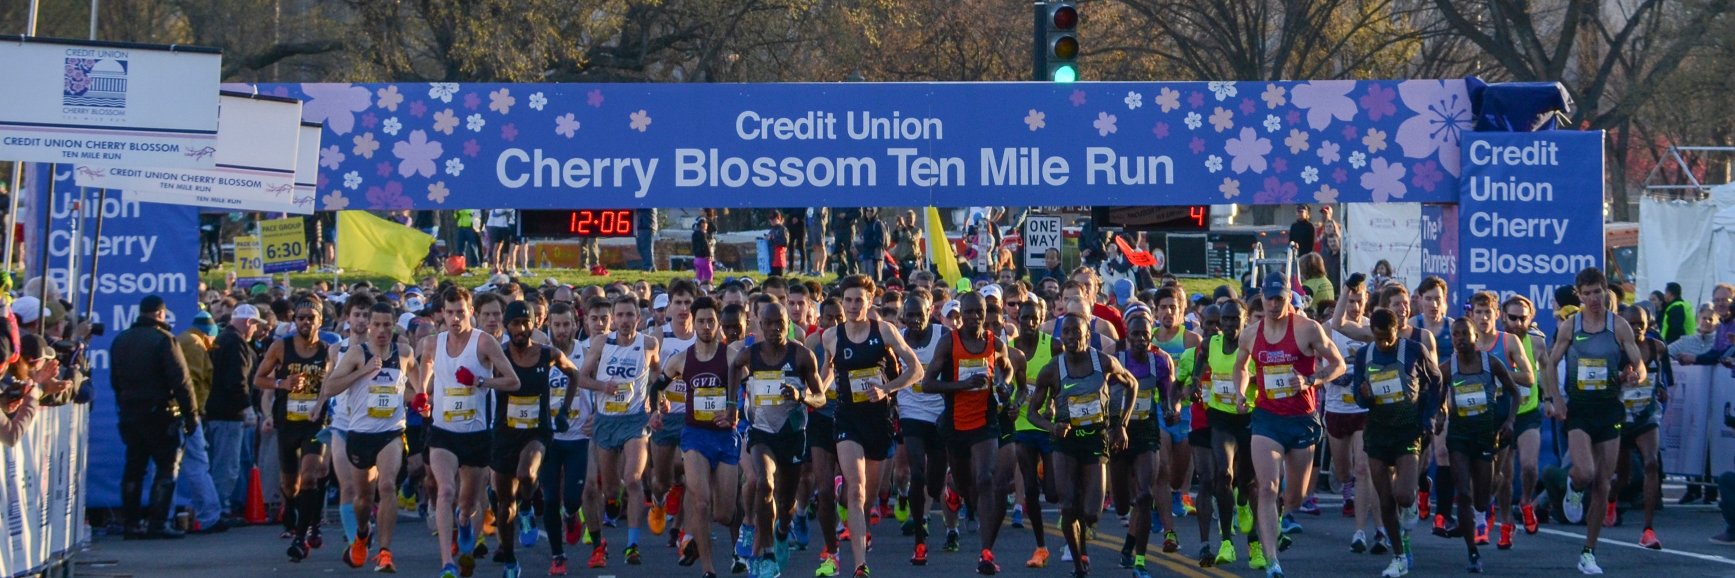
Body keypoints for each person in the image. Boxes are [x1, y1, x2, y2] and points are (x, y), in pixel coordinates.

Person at [1232, 271, 1345, 578]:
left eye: (1279, 298)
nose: (1272, 304)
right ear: (1262, 298)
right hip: (1267, 419)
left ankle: (1282, 518)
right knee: (1267, 487)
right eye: (1268, 298)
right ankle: (1272, 562)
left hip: (1301, 420)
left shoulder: (1307, 329)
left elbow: (1338, 364)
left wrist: (1311, 380)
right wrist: (1241, 392)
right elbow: (1240, 366)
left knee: (1294, 497)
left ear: (1288, 299)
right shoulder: (1250, 333)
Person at [1540, 267, 1647, 575]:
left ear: (1605, 292)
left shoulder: (1620, 326)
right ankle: (1573, 485)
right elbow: (1550, 363)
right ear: (1580, 295)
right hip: (1580, 409)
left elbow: (1639, 367)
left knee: (1603, 481)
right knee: (1585, 471)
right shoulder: (1571, 326)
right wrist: (1555, 399)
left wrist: (1632, 376)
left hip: (1610, 408)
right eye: (1586, 294)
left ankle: (1589, 552)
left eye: (1597, 292)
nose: (1593, 299)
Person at [818, 274, 923, 578]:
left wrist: (887, 388)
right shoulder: (831, 336)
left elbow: (915, 370)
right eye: (848, 300)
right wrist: (810, 396)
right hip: (847, 418)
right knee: (856, 488)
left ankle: (862, 531)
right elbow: (826, 377)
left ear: (869, 302)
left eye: (858, 300)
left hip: (878, 420)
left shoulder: (885, 331)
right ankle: (859, 565)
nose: (852, 306)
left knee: (871, 495)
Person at [416, 287, 522, 578]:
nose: (454, 319)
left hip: (476, 435)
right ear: (442, 314)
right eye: (449, 313)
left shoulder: (484, 342)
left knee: (468, 502)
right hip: (443, 432)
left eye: (460, 312)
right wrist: (422, 392)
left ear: (470, 312)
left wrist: (480, 380)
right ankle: (446, 562)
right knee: (446, 490)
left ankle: (464, 521)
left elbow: (512, 382)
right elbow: (426, 364)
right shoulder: (432, 343)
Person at [1025, 313, 1139, 578]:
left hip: (1095, 439)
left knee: (1091, 514)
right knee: (1067, 507)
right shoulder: (1052, 369)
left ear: (1088, 335)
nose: (1071, 337)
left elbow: (1132, 384)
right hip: (1065, 441)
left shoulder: (1103, 362)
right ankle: (1078, 565)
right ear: (1060, 336)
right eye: (1066, 333)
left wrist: (1120, 423)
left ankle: (1082, 540)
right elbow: (1033, 413)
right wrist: (1052, 426)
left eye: (1077, 332)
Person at [922, 292, 1018, 575]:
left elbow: (1008, 369)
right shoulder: (948, 342)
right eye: (970, 312)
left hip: (985, 421)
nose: (975, 316)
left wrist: (1003, 385)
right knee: (967, 486)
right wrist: (962, 385)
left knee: (986, 479)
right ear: (960, 314)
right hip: (954, 423)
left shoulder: (994, 342)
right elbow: (928, 384)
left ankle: (986, 553)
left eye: (980, 311)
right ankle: (954, 490)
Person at [323, 302, 418, 572]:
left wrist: (422, 396)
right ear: (369, 327)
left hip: (391, 432)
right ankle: (363, 533)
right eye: (376, 324)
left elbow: (416, 374)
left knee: (387, 486)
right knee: (363, 499)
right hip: (360, 433)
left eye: (387, 325)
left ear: (394, 326)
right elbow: (330, 387)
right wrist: (363, 371)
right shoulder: (356, 353)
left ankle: (385, 552)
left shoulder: (403, 352)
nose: (381, 330)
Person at [735, 301, 825, 578]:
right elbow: (732, 367)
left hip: (792, 434)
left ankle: (783, 529)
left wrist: (802, 397)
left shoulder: (802, 356)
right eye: (769, 324)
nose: (775, 329)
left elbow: (821, 397)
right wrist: (731, 404)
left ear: (789, 325)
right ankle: (768, 551)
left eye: (781, 324)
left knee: (786, 504)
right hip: (761, 432)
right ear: (760, 326)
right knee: (764, 483)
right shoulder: (750, 355)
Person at [1351, 307, 1442, 578]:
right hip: (1378, 432)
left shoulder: (1413, 350)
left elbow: (1437, 381)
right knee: (1386, 500)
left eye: (1388, 337)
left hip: (1407, 431)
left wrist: (1431, 415)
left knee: (1402, 494)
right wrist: (1364, 395)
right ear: (1372, 334)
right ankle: (1399, 556)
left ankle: (1412, 499)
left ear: (1396, 331)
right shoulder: (1365, 355)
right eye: (1378, 338)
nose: (1384, 343)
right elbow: (1358, 394)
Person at [493, 300, 577, 578]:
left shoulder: (547, 354)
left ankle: (528, 507)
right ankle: (510, 561)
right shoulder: (499, 356)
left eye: (525, 323)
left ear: (535, 324)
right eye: (515, 323)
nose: (521, 328)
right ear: (507, 326)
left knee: (527, 474)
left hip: (537, 431)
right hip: (504, 434)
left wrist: (564, 410)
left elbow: (574, 374)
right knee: (505, 506)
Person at [576, 295, 662, 568]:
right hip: (606, 420)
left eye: (630, 315)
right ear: (614, 319)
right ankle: (613, 502)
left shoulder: (649, 344)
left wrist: (659, 399)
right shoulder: (602, 343)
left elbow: (659, 374)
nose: (625, 321)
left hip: (635, 420)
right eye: (620, 315)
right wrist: (603, 387)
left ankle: (631, 544)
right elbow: (581, 377)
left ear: (639, 317)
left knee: (634, 479)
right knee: (611, 487)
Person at [661, 296, 742, 578]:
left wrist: (737, 412)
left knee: (723, 513)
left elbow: (752, 385)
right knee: (701, 501)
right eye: (701, 321)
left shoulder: (731, 356)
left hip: (725, 437)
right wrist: (658, 407)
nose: (706, 326)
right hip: (695, 435)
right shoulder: (682, 360)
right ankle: (708, 569)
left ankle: (731, 530)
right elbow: (657, 384)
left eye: (711, 321)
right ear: (693, 323)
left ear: (717, 322)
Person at [254, 296, 336, 562]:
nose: (306, 322)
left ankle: (303, 536)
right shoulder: (281, 347)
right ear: (294, 321)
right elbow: (258, 379)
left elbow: (335, 384)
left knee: (311, 475)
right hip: (287, 423)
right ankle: (292, 506)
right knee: (291, 485)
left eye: (311, 318)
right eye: (301, 318)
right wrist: (282, 383)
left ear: (320, 321)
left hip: (315, 422)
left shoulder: (328, 351)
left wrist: (325, 399)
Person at [112, 295, 194, 540]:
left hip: (130, 413)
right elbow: (181, 382)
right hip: (160, 414)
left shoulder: (121, 340)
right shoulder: (164, 340)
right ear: (161, 314)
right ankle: (157, 523)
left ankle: (132, 523)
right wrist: (191, 416)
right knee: (167, 468)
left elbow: (115, 382)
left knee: (134, 468)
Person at [1443, 318, 1519, 573]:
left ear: (1476, 337)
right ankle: (1472, 551)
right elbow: (1433, 391)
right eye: (1456, 334)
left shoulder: (1490, 363)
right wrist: (1438, 412)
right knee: (1463, 492)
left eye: (1466, 334)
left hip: (1485, 435)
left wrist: (1509, 420)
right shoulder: (1448, 366)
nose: (1461, 338)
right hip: (1459, 436)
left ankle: (1477, 517)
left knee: (1482, 499)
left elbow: (1515, 392)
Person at [1103, 311, 1173, 578]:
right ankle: (1129, 542)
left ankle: (1140, 559)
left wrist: (1170, 408)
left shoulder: (1161, 362)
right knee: (1123, 504)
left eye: (1146, 334)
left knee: (1144, 495)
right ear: (1127, 335)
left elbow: (1168, 395)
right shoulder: (1114, 360)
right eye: (1135, 334)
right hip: (1118, 433)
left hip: (1146, 432)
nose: (1141, 340)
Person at [895, 291, 955, 563]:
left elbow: (955, 371)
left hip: (939, 413)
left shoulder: (944, 335)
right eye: (910, 315)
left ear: (930, 312)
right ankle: (920, 539)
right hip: (910, 412)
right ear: (903, 317)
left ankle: (948, 494)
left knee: (934, 485)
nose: (915, 320)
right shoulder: (896, 338)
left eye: (920, 315)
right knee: (917, 474)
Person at [1324, 280, 1382, 553]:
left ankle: (1361, 531)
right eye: (1350, 300)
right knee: (1345, 471)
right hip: (1336, 409)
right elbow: (1314, 363)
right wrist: (1330, 378)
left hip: (1362, 409)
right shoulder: (1328, 329)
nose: (1355, 306)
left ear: (1366, 300)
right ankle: (1345, 485)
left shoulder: (1371, 329)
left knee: (1363, 468)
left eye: (1360, 301)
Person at [541, 302, 593, 576]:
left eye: (566, 324)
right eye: (556, 324)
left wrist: (597, 414)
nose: (562, 330)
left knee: (572, 498)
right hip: (548, 438)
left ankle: (571, 516)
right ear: (549, 325)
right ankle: (557, 555)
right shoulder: (541, 356)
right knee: (550, 498)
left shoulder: (586, 354)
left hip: (578, 438)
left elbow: (600, 386)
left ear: (576, 324)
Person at [1614, 306, 1669, 550]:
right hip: (1619, 417)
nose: (1637, 328)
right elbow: (1601, 383)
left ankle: (1648, 529)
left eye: (1641, 323)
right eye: (1632, 324)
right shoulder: (1615, 350)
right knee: (1622, 477)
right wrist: (1620, 378)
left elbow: (1664, 379)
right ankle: (1610, 502)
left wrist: (1661, 388)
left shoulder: (1657, 347)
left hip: (1646, 415)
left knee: (1650, 463)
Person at [804, 297, 847, 576]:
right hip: (820, 418)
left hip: (848, 416)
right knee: (824, 491)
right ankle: (831, 549)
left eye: (838, 317)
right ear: (820, 320)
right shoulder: (811, 344)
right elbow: (804, 374)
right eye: (828, 317)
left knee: (849, 491)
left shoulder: (854, 339)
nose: (833, 322)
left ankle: (850, 519)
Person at [205, 305, 261, 521]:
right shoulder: (236, 344)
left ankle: (216, 507)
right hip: (229, 414)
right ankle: (221, 508)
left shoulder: (221, 340)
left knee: (217, 462)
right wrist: (246, 407)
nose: (255, 331)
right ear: (249, 323)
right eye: (255, 326)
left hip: (215, 411)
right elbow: (236, 380)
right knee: (227, 465)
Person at [693, 218, 718, 287]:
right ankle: (708, 287)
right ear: (703, 224)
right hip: (704, 258)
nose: (707, 225)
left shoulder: (694, 234)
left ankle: (697, 287)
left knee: (699, 276)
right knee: (709, 274)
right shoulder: (702, 234)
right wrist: (708, 255)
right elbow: (705, 244)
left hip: (697, 259)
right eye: (706, 223)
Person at [768, 211, 791, 277]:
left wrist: (773, 239)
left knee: (778, 279)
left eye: (773, 219)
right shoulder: (771, 230)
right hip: (771, 260)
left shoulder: (783, 229)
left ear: (778, 218)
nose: (771, 220)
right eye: (770, 219)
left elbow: (785, 242)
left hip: (778, 260)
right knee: (770, 279)